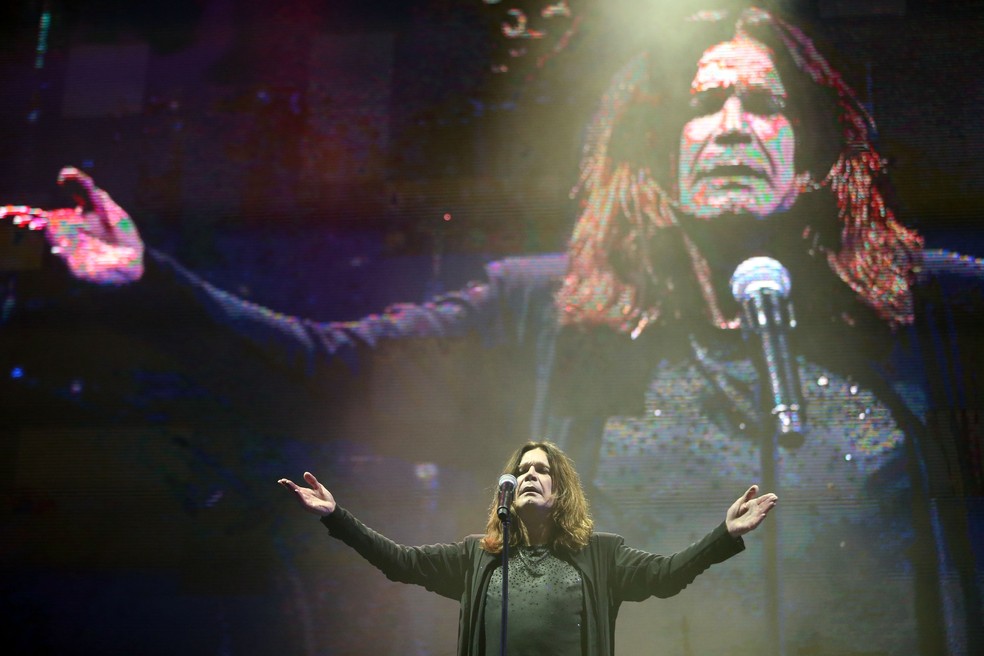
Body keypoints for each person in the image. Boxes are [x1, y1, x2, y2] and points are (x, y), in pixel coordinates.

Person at [7, 4, 984, 655]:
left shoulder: (922, 311)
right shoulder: (546, 317)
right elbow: (328, 371)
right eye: (703, 105)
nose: (731, 124)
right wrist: (149, 286)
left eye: (762, 104)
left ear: (810, 156)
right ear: (658, 152)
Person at [278, 440, 778, 656]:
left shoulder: (602, 555)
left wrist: (724, 535)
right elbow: (400, 562)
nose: (530, 475)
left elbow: (667, 575)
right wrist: (336, 517)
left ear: (562, 490)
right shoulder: (477, 557)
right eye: (522, 471)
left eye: (542, 470)